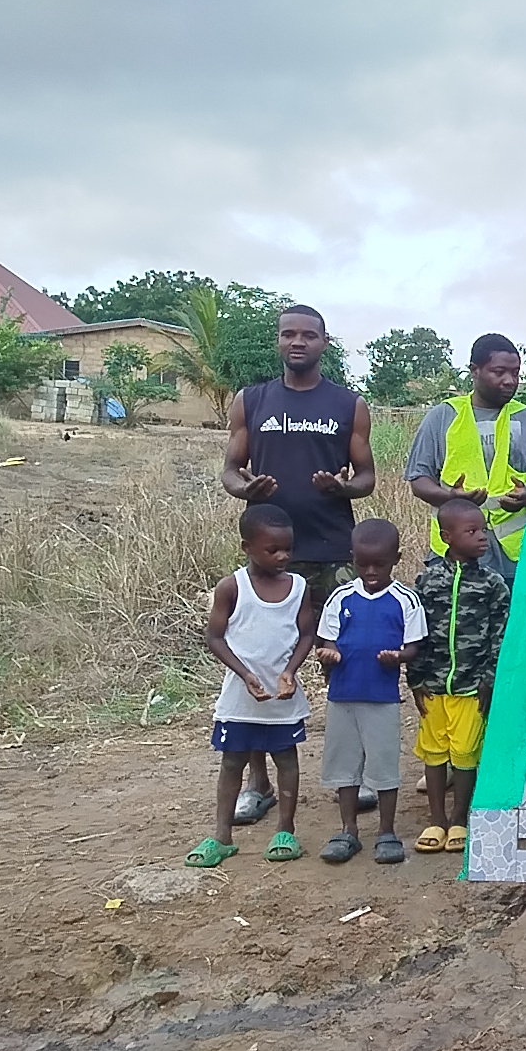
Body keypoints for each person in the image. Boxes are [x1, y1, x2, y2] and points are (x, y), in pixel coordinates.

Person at [221, 304, 376, 826]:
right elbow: (231, 468)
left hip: (333, 552)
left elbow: (367, 477)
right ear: (278, 340)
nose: (298, 342)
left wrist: (342, 487)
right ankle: (259, 785)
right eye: (288, 334)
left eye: (308, 335)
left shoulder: (348, 404)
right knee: (260, 660)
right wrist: (246, 487)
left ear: (324, 343)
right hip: (267, 558)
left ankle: (354, 776)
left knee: (347, 661)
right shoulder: (252, 400)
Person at [187, 504, 316, 867]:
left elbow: (307, 634)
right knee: (232, 762)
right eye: (272, 549)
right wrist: (244, 674)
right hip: (239, 698)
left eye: (288, 548)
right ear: (247, 547)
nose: (283, 556)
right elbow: (215, 637)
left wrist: (290, 670)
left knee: (286, 759)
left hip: (282, 697)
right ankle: (221, 836)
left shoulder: (298, 587)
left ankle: (285, 830)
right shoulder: (232, 587)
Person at [404, 333, 526, 588]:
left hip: (518, 558)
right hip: (453, 557)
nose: (509, 380)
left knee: (514, 616)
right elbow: (419, 480)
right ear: (474, 370)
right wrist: (451, 498)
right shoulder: (442, 417)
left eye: (515, 373)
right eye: (499, 372)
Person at [311, 519, 425, 865]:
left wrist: (399, 657)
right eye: (363, 564)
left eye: (380, 564)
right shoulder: (341, 597)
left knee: (384, 765)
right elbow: (327, 639)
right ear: (353, 558)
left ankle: (386, 831)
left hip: (381, 697)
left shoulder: (405, 600)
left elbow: (414, 646)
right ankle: (348, 830)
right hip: (343, 696)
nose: (371, 571)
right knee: (345, 766)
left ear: (396, 559)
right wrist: (329, 654)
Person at [407, 498, 511, 854]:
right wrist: (415, 679)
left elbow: (500, 634)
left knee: (466, 752)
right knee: (434, 752)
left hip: (471, 686)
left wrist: (489, 678)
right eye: (472, 531)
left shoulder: (493, 584)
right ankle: (436, 820)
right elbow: (416, 633)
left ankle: (459, 820)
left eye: (483, 530)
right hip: (433, 686)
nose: (482, 537)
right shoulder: (427, 581)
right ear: (446, 536)